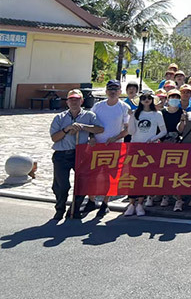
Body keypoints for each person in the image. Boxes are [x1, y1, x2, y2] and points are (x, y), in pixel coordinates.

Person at [49, 89, 104, 220]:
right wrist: (66, 129)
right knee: (61, 186)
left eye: (77, 99)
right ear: (67, 102)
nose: (74, 102)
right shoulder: (59, 117)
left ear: (82, 101)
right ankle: (59, 209)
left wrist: (83, 127)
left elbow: (99, 129)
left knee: (82, 184)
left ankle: (74, 208)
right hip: (61, 154)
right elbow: (54, 138)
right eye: (71, 99)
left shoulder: (89, 116)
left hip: (80, 154)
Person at [85, 79, 129, 216]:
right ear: (106, 91)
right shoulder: (98, 106)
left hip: (114, 146)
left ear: (120, 92)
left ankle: (105, 202)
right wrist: (91, 137)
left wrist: (115, 138)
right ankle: (91, 201)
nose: (113, 92)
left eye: (116, 89)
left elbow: (128, 129)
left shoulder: (123, 107)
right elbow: (89, 123)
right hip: (97, 146)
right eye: (110, 89)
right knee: (93, 175)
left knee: (110, 177)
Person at [124, 92, 166, 216]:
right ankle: (131, 203)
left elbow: (163, 131)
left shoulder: (157, 114)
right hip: (135, 146)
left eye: (149, 98)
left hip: (149, 148)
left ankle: (140, 203)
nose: (146, 100)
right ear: (140, 101)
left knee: (144, 176)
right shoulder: (136, 113)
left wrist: (153, 138)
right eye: (143, 98)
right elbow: (131, 131)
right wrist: (131, 117)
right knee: (132, 175)